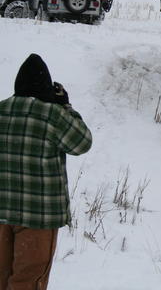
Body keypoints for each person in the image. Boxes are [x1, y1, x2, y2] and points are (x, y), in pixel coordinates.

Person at [0, 54, 92, 290]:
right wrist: (65, 106)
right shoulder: (52, 114)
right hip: (38, 217)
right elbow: (82, 142)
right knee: (27, 281)